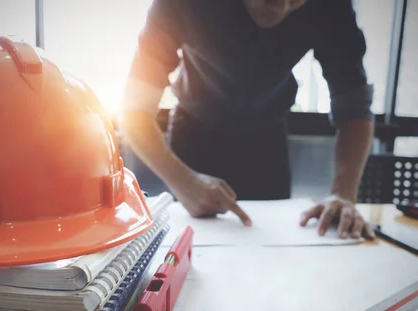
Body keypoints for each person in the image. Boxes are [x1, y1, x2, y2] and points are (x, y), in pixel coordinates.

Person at [118, 0, 375, 239]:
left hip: (268, 140)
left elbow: (355, 108)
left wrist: (343, 193)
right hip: (193, 138)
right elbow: (133, 111)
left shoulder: (331, 6)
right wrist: (181, 179)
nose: (282, 8)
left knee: (270, 245)